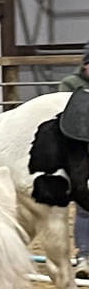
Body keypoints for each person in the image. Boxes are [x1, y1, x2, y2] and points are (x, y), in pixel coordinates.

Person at [57, 47, 89, 268]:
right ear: (85, 65)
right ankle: (84, 253)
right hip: (78, 148)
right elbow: (67, 116)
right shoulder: (70, 84)